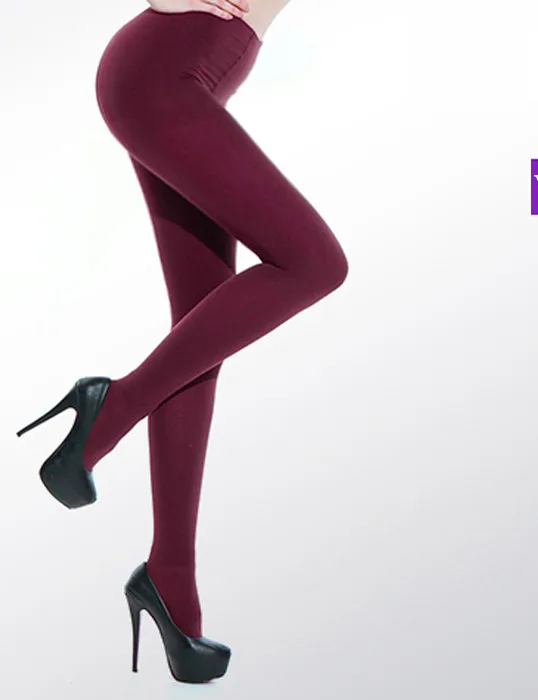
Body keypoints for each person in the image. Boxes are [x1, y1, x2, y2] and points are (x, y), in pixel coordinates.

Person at [16, 0, 348, 684]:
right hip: (164, 72)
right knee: (314, 263)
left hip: (177, 75)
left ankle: (170, 580)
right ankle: (108, 410)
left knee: (200, 333)